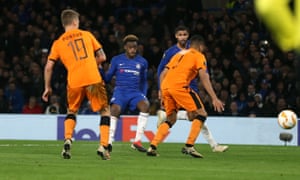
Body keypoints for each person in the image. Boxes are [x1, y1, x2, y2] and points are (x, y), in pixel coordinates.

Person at [42, 9, 111, 160]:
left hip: (74, 82)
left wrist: (47, 87)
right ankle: (103, 145)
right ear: (74, 22)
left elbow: (48, 67)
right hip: (93, 79)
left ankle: (67, 138)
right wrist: (90, 63)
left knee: (71, 111)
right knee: (105, 111)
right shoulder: (87, 35)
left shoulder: (58, 43)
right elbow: (102, 57)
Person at [147, 35, 225, 158]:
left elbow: (163, 74)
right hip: (180, 87)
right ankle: (189, 146)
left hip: (166, 87)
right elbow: (204, 77)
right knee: (201, 114)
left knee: (171, 118)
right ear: (200, 46)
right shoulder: (199, 56)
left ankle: (152, 146)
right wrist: (214, 97)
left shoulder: (178, 55)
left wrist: (161, 90)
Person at [104, 34, 149, 153]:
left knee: (145, 106)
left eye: (135, 47)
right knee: (115, 110)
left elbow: (144, 81)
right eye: (130, 47)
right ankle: (109, 142)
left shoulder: (143, 62)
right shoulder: (116, 60)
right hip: (120, 92)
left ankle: (137, 141)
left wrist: (143, 94)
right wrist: (100, 72)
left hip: (135, 93)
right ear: (125, 47)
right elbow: (108, 78)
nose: (133, 50)